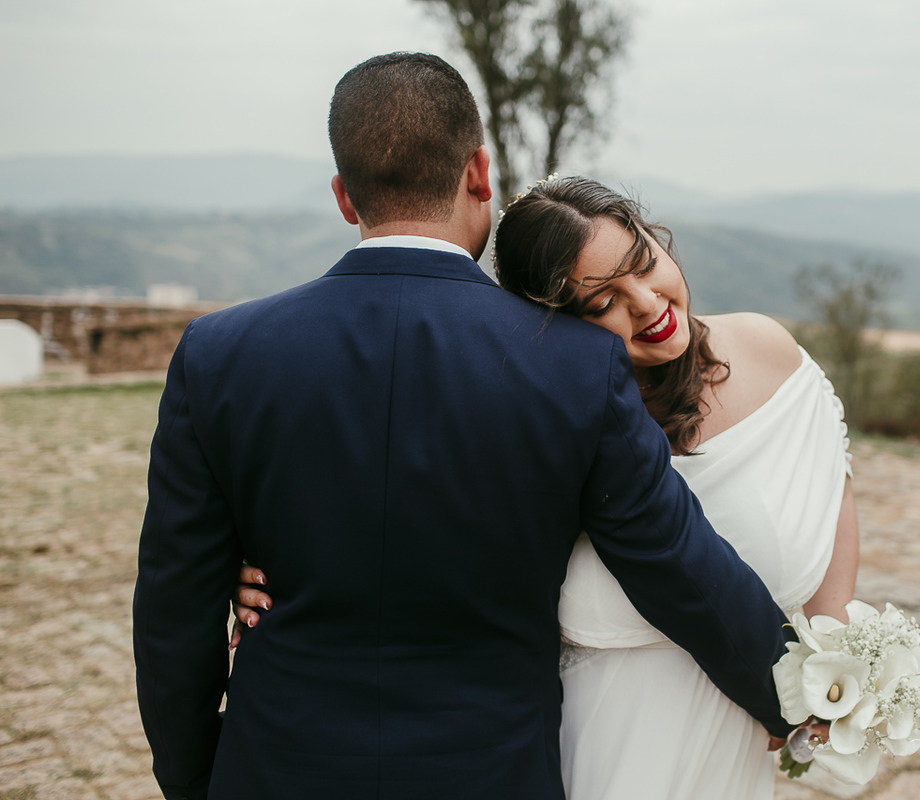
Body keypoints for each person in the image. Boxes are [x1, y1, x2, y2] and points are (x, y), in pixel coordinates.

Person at [131, 53, 797, 800]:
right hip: (491, 772)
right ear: (479, 173)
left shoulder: (219, 354)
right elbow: (677, 564)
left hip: (274, 766)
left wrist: (197, 778)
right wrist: (800, 694)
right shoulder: (578, 366)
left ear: (345, 198)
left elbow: (172, 616)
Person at [233, 178, 859, 799]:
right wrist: (275, 568)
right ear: (555, 323)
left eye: (643, 264)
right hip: (591, 741)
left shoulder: (764, 349)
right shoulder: (546, 407)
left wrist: (826, 667)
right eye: (602, 302)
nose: (644, 302)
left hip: (733, 742)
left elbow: (830, 481)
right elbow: (414, 515)